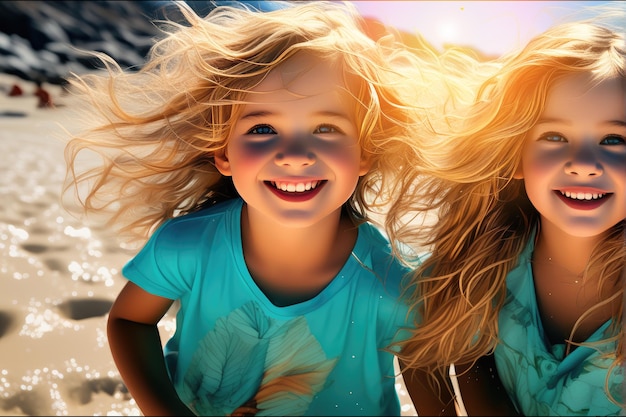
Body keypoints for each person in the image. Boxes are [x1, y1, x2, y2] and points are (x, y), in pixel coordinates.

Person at [62, 1, 453, 415]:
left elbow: (429, 380)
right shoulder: (189, 247)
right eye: (263, 129)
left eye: (326, 128)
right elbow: (129, 322)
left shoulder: (396, 286)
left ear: (364, 153)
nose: (296, 155)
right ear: (223, 151)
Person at [387, 15, 626, 417]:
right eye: (554, 137)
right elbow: (422, 354)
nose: (584, 164)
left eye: (614, 139)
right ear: (515, 155)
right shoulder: (486, 259)